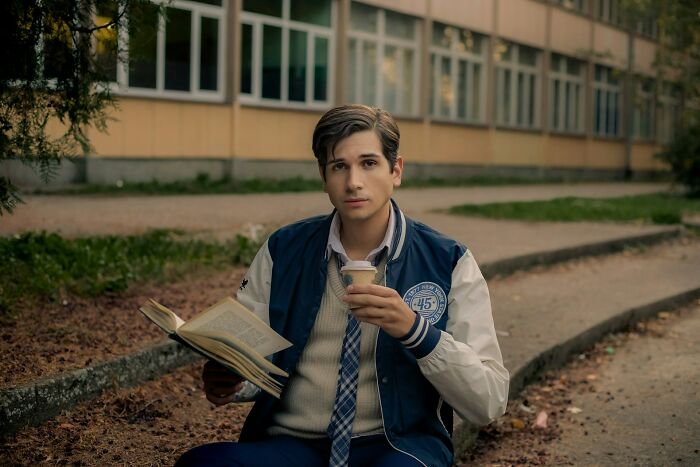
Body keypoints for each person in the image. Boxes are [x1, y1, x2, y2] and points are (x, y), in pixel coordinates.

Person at [175, 105, 509, 467]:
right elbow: (257, 361)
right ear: (323, 176)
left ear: (396, 170)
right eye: (339, 166)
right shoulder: (283, 250)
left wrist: (417, 332)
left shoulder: (448, 261)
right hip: (293, 444)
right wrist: (233, 381)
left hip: (396, 447)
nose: (353, 182)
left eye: (368, 163)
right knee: (203, 464)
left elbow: (489, 402)